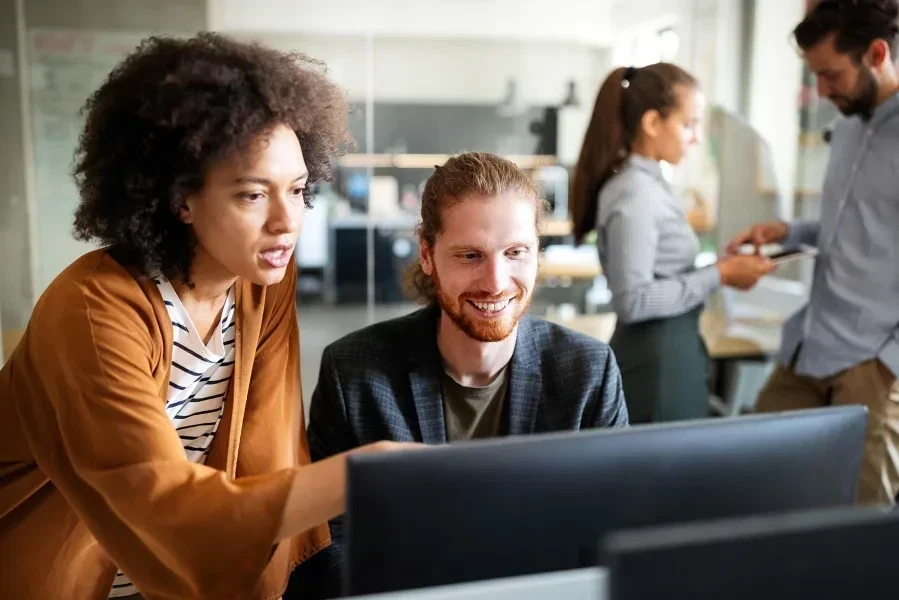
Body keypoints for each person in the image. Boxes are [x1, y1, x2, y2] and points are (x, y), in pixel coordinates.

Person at [0, 33, 415, 600]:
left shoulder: (262, 281)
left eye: (297, 190)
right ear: (181, 199)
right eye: (252, 195)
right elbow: (158, 500)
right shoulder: (93, 309)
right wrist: (364, 472)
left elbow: (265, 453)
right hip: (52, 570)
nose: (286, 222)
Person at [306, 151, 629, 569]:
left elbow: (611, 533)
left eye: (515, 252)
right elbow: (325, 546)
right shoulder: (353, 375)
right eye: (470, 255)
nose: (495, 283)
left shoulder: (589, 373)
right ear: (427, 255)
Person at [728, 0, 899, 506]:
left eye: (830, 75)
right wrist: (789, 231)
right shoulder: (846, 126)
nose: (820, 91)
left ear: (876, 54)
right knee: (748, 481)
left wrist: (890, 364)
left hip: (874, 364)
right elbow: (855, 228)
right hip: (810, 344)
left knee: (860, 524)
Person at [569, 63, 775, 424]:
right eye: (688, 124)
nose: (696, 137)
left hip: (670, 353)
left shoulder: (650, 184)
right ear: (652, 123)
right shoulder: (636, 192)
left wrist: (721, 268)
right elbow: (633, 300)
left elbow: (663, 273)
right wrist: (720, 274)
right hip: (655, 364)